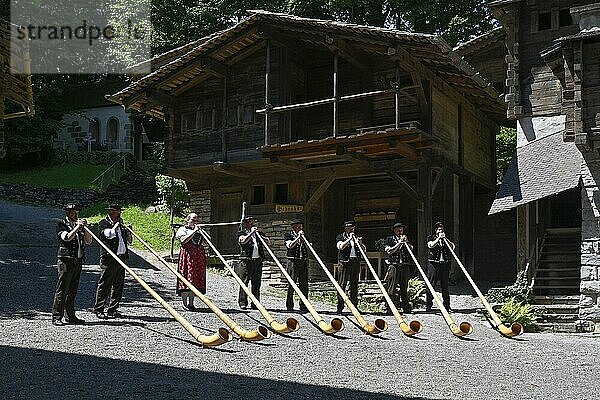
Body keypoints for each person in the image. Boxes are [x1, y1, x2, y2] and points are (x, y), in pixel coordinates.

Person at [52, 204, 92, 326]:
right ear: (68, 213)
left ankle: (70, 316)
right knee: (62, 289)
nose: (76, 215)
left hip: (78, 260)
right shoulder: (61, 224)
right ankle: (56, 316)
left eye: (77, 212)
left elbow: (89, 241)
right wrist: (77, 227)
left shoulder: (79, 226)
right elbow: (67, 238)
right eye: (73, 212)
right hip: (66, 260)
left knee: (73, 290)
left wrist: (85, 229)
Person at [93, 204, 132, 319]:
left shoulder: (122, 225)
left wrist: (128, 233)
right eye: (117, 212)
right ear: (111, 213)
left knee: (118, 285)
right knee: (105, 284)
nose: (119, 214)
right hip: (109, 258)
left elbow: (129, 242)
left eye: (120, 212)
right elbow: (109, 235)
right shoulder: (103, 223)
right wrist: (116, 226)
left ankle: (113, 309)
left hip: (121, 257)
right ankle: (99, 309)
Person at [175, 213, 208, 311]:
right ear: (188, 220)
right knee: (186, 276)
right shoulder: (182, 229)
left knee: (195, 278)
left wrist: (202, 232)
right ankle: (185, 303)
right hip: (188, 255)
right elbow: (183, 240)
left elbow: (207, 241)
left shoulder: (199, 230)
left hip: (198, 256)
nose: (195, 222)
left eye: (196, 220)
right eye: (193, 220)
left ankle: (191, 303)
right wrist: (194, 232)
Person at [237, 216, 269, 310]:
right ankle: (243, 302)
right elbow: (243, 241)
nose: (252, 224)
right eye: (250, 222)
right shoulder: (241, 233)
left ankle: (255, 303)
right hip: (246, 260)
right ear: (246, 224)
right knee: (244, 282)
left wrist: (261, 236)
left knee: (256, 282)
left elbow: (267, 242)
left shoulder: (259, 233)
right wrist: (251, 233)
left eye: (253, 222)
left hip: (257, 260)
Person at [335, 221, 365, 313]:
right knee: (342, 284)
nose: (351, 229)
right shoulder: (340, 237)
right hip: (344, 262)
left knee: (354, 284)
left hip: (355, 261)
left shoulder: (357, 237)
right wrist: (349, 240)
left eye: (352, 228)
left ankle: (354, 306)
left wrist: (360, 243)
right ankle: (340, 306)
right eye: (349, 228)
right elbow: (341, 247)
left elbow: (363, 249)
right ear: (345, 228)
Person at [383, 222, 413, 314]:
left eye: (401, 229)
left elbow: (411, 249)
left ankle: (405, 307)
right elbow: (389, 251)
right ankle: (390, 307)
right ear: (394, 230)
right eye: (398, 229)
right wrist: (399, 243)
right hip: (394, 265)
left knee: (404, 287)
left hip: (404, 265)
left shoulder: (405, 240)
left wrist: (406, 243)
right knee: (392, 287)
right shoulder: (389, 239)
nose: (400, 231)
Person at [426, 221, 455, 312]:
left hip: (445, 264)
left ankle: (446, 305)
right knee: (431, 284)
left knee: (445, 285)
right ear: (435, 230)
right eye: (439, 229)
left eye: (442, 229)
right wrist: (438, 238)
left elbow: (452, 247)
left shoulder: (446, 239)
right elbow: (430, 245)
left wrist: (445, 239)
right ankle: (428, 304)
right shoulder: (431, 238)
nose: (441, 231)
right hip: (434, 264)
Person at [284, 219, 309, 312]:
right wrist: (298, 238)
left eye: (301, 226)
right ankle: (289, 305)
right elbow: (290, 245)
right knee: (292, 283)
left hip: (303, 261)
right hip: (293, 261)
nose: (300, 228)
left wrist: (303, 239)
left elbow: (308, 246)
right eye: (298, 226)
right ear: (294, 227)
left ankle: (304, 306)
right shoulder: (288, 235)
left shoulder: (305, 236)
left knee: (304, 284)